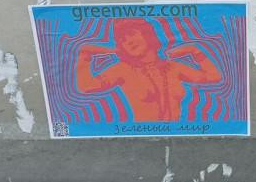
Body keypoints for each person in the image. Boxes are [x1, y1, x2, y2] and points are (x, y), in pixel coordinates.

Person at [77, 18, 222, 122]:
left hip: (175, 136)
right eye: (123, 40)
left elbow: (214, 77)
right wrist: (85, 55)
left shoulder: (173, 67)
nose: (129, 42)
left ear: (147, 34)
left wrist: (195, 51)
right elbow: (86, 86)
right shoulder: (123, 70)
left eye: (132, 34)